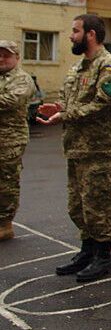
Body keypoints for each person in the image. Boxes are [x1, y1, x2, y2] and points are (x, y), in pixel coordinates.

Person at [37, 14, 111, 282]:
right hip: (76, 148)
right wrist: (59, 108)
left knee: (98, 204)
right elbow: (72, 101)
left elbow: (104, 105)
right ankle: (87, 251)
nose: (70, 36)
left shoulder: (108, 66)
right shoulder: (78, 68)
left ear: (90, 34)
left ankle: (103, 257)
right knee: (78, 206)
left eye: (75, 31)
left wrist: (65, 115)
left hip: (98, 150)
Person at [0, 40, 35, 241]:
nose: (2, 58)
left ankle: (5, 223)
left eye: (6, 55)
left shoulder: (22, 79)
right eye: (0, 55)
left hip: (10, 140)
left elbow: (12, 100)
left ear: (16, 57)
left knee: (7, 182)